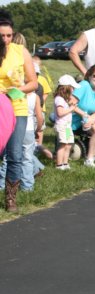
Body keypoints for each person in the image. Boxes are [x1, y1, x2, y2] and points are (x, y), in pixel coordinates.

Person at [0, 10, 38, 212]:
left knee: (15, 154)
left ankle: (10, 198)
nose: (6, 39)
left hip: (16, 107)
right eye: (1, 36)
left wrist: (15, 90)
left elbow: (33, 83)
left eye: (9, 35)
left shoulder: (20, 51)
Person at [71, 64, 95, 168]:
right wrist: (85, 115)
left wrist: (93, 118)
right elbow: (71, 104)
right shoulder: (84, 85)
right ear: (89, 76)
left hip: (87, 118)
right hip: (73, 117)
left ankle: (89, 159)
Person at [53, 75, 79, 170]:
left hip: (67, 127)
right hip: (62, 126)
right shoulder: (59, 99)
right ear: (66, 88)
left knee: (68, 145)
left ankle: (65, 163)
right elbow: (60, 113)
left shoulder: (65, 99)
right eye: (72, 87)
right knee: (63, 144)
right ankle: (59, 165)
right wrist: (71, 108)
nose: (73, 89)